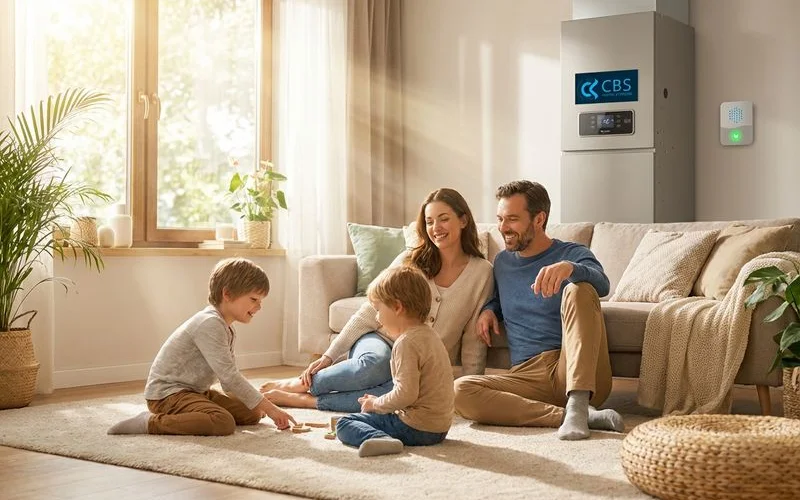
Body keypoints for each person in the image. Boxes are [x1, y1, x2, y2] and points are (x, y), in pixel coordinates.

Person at [261, 188, 493, 412]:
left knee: (402, 393)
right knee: (375, 365)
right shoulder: (410, 260)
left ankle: (306, 401)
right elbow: (369, 311)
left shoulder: (482, 272)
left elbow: (474, 337)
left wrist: (470, 387)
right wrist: (329, 356)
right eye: (429, 222)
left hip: (420, 360)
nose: (436, 228)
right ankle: (303, 384)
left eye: (444, 219)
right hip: (380, 341)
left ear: (463, 220)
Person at [453, 180, 624, 440]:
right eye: (500, 219)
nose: (503, 227)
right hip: (526, 376)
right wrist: (490, 309)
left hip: (574, 368)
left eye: (512, 219)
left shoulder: (572, 253)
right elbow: (501, 297)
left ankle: (578, 402)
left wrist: (570, 268)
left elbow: (602, 285)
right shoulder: (502, 263)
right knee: (460, 391)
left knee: (579, 289)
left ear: (539, 219)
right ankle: (570, 416)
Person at [107, 258, 296, 436]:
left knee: (252, 413)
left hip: (196, 391)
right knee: (222, 422)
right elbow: (230, 377)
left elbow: (228, 383)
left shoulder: (226, 328)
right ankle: (150, 422)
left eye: (260, 301)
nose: (259, 307)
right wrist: (271, 409)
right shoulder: (209, 324)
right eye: (254, 299)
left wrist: (255, 404)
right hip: (168, 394)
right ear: (227, 294)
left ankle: (201, 410)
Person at [335, 266, 454, 457]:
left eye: (378, 309)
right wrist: (378, 403)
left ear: (397, 307)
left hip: (417, 428)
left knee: (345, 423)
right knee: (375, 411)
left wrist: (376, 404)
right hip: (439, 428)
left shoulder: (406, 343)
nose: (377, 317)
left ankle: (382, 439)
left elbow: (406, 395)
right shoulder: (430, 335)